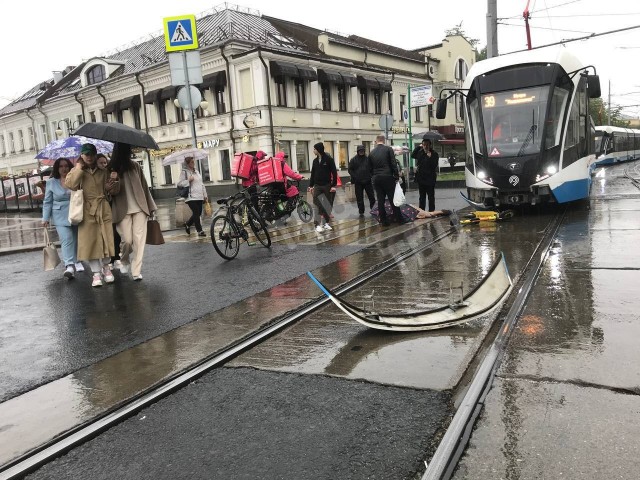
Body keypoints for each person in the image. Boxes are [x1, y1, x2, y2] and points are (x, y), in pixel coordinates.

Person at [65, 143, 120, 287]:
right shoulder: (77, 171)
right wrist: (78, 169)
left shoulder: (103, 171)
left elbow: (114, 191)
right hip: (86, 210)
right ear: (81, 155)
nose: (89, 157)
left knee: (107, 238)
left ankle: (106, 268)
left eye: (91, 154)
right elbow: (70, 184)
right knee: (91, 242)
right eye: (86, 154)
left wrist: (112, 184)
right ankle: (96, 273)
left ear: (96, 155)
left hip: (103, 208)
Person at [109, 142, 157, 281]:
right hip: (121, 210)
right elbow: (110, 193)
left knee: (139, 241)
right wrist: (113, 180)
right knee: (127, 241)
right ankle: (124, 260)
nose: (129, 152)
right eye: (126, 150)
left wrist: (151, 207)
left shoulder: (135, 166)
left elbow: (144, 187)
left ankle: (136, 271)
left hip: (140, 208)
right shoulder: (111, 168)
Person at [42, 158, 80, 279]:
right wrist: (45, 218)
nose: (64, 168)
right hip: (59, 215)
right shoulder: (51, 182)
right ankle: (69, 265)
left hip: (75, 213)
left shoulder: (75, 179)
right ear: (57, 169)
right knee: (66, 238)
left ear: (70, 167)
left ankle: (77, 261)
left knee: (76, 239)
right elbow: (47, 201)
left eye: (66, 166)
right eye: (61, 166)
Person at [368, 135, 408, 226]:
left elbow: (369, 167)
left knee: (380, 200)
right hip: (387, 177)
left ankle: (383, 220)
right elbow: (393, 163)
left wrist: (373, 176)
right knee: (392, 199)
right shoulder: (388, 149)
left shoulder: (372, 152)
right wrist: (396, 176)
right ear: (384, 141)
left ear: (376, 141)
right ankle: (399, 219)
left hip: (376, 178)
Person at [308, 142, 337, 233]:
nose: (313, 151)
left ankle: (326, 223)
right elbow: (313, 174)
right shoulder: (315, 161)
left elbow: (334, 172)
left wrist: (333, 185)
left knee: (327, 204)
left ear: (319, 150)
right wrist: (310, 185)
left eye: (314, 149)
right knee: (317, 204)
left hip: (327, 185)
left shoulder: (329, 160)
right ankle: (317, 225)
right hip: (317, 186)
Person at [178, 156, 208, 237]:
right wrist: (188, 180)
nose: (193, 163)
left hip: (199, 196)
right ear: (187, 164)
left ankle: (188, 224)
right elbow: (179, 184)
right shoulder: (184, 172)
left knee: (197, 214)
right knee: (196, 212)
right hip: (190, 197)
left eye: (193, 162)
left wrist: (205, 195)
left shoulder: (197, 172)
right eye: (191, 162)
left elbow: (201, 184)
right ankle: (200, 230)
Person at [274, 151, 304, 222]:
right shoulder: (282, 164)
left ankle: (280, 215)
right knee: (294, 190)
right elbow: (291, 174)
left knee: (277, 200)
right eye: (284, 157)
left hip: (273, 187)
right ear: (282, 158)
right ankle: (288, 209)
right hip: (281, 186)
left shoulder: (273, 164)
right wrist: (299, 177)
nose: (285, 159)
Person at [412, 137, 439, 212]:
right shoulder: (420, 152)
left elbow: (434, 165)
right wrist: (418, 147)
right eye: (424, 145)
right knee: (422, 197)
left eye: (427, 145)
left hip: (430, 179)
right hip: (421, 178)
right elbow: (413, 155)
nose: (425, 146)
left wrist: (429, 157)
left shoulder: (434, 154)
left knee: (431, 197)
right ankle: (422, 211)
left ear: (430, 145)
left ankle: (431, 211)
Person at [348, 145, 375, 218]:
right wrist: (355, 177)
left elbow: (372, 168)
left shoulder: (368, 159)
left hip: (367, 181)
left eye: (362, 150)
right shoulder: (353, 160)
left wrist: (370, 176)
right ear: (357, 151)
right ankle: (361, 211)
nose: (361, 152)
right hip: (358, 182)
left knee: (371, 196)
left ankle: (373, 209)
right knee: (359, 197)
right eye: (360, 150)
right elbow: (350, 169)